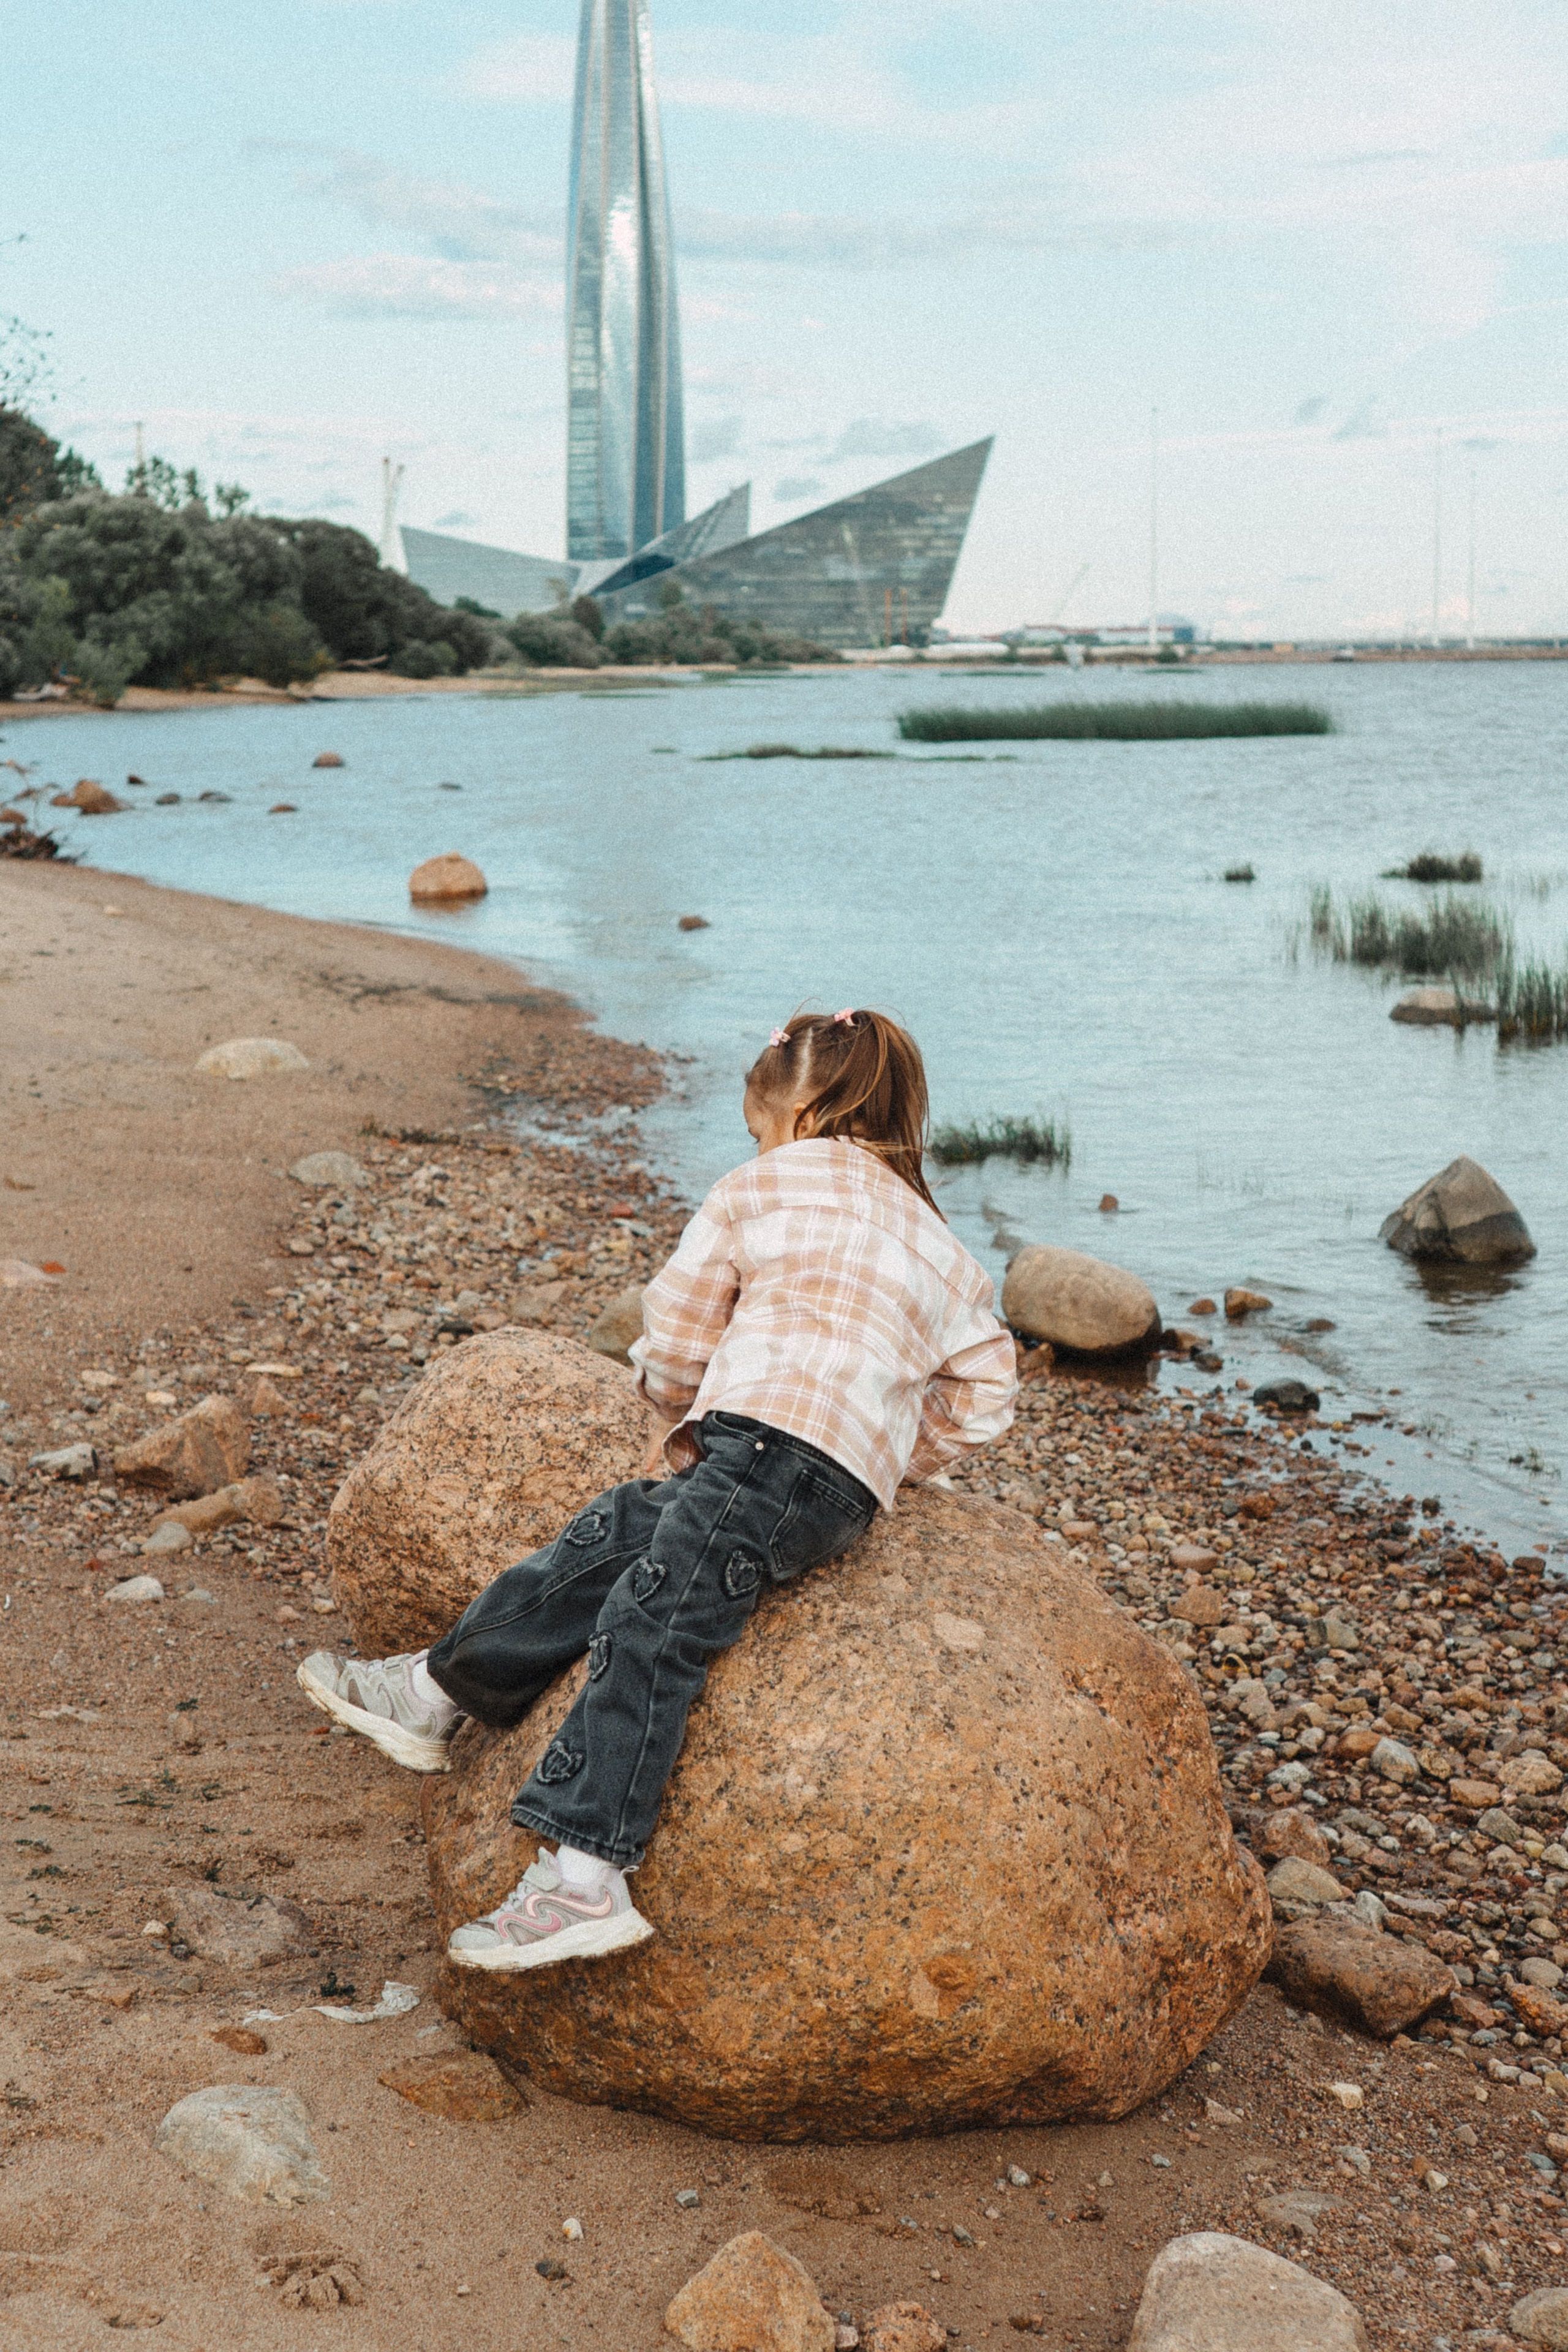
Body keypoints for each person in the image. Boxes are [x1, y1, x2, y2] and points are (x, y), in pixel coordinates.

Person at [297, 1008, 1017, 1973]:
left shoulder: (759, 1187)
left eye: (760, 1128)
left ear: (802, 1115)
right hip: (832, 1488)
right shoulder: (939, 1242)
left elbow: (677, 1327)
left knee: (655, 1623)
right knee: (618, 1533)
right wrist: (887, 1452)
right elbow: (985, 1398)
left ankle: (586, 1877)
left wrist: (675, 1401)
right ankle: (437, 1689)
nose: (757, 1146)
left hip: (758, 1446)